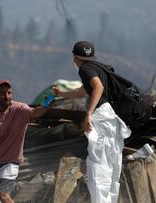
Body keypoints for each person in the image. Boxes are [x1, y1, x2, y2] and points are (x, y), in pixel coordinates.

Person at [53, 41, 131, 203]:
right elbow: (81, 91)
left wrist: (89, 113)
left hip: (102, 119)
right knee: (111, 168)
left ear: (75, 58)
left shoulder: (85, 69)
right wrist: (61, 94)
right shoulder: (101, 68)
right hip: (113, 120)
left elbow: (98, 87)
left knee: (98, 168)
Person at [0, 80, 48, 203]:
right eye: (2, 93)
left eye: (9, 93)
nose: (6, 96)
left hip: (10, 163)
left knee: (3, 193)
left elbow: (36, 112)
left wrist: (50, 100)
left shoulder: (21, 109)